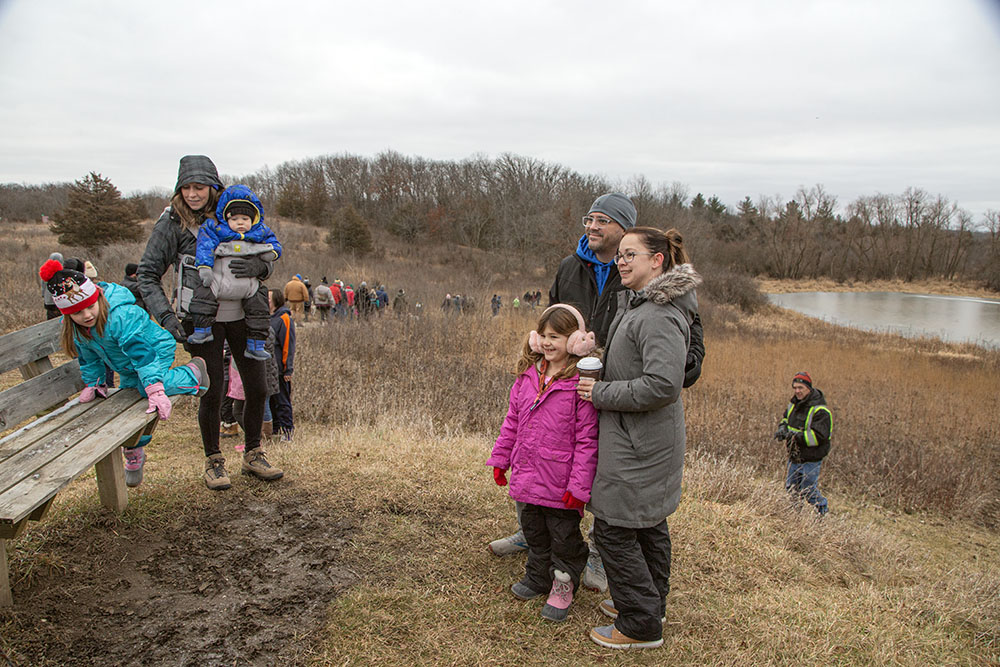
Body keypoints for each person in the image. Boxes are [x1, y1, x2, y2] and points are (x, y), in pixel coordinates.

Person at [577, 226, 701, 650]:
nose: (622, 261)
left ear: (658, 261)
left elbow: (662, 384)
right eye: (620, 256)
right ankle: (651, 604)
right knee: (647, 525)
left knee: (613, 528)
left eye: (631, 255)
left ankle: (641, 623)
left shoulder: (661, 314)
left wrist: (600, 392)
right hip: (641, 438)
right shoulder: (643, 305)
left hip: (641, 444)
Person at [137, 155, 283, 490]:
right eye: (186, 187)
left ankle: (253, 453)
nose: (192, 194)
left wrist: (262, 270)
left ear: (213, 186)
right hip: (202, 317)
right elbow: (147, 275)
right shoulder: (172, 223)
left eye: (199, 186)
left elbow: (266, 246)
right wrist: (164, 315)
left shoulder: (233, 209)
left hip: (246, 314)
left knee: (257, 387)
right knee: (213, 390)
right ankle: (214, 461)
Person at [39, 258, 209, 487]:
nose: (87, 315)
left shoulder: (121, 317)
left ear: (98, 298)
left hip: (154, 350)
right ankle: (134, 451)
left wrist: (154, 387)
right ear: (68, 315)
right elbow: (89, 358)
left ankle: (193, 375)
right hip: (129, 364)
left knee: (144, 388)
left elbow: (142, 355)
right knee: (133, 395)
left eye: (90, 306)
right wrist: (96, 383)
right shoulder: (79, 331)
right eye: (78, 312)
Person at [487, 304, 598, 623]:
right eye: (545, 336)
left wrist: (579, 487)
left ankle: (563, 584)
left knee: (563, 538)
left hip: (561, 484)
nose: (549, 343)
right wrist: (501, 458)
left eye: (558, 337)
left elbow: (587, 440)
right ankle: (538, 577)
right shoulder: (527, 377)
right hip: (527, 476)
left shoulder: (580, 385)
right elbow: (512, 421)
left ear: (577, 341)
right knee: (533, 531)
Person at [187, 184, 281, 362]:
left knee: (259, 306)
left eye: (245, 218)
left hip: (248, 286)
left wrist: (268, 257)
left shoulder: (259, 232)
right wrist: (204, 267)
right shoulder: (217, 229)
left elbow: (274, 243)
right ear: (226, 218)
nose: (240, 223)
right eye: (235, 218)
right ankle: (202, 329)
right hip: (219, 281)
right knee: (203, 295)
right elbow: (205, 245)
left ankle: (256, 343)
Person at [773, 372, 832, 515]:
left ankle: (822, 511)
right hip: (794, 456)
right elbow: (786, 419)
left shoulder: (821, 411)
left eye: (800, 388)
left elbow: (818, 437)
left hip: (811, 459)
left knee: (808, 490)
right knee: (791, 490)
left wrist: (795, 436)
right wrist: (782, 428)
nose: (797, 391)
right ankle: (795, 517)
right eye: (795, 388)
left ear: (809, 388)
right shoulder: (793, 404)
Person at [269, 288, 296, 442]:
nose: (266, 300)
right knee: (272, 401)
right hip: (269, 369)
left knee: (282, 401)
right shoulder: (268, 318)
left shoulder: (284, 318)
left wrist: (288, 369)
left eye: (269, 298)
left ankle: (287, 431)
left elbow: (288, 345)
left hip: (280, 368)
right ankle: (275, 428)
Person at [42, 252, 65, 319]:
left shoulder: (45, 270)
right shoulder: (61, 271)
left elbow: (43, 285)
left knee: (50, 318)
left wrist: (43, 294)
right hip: (58, 300)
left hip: (48, 300)